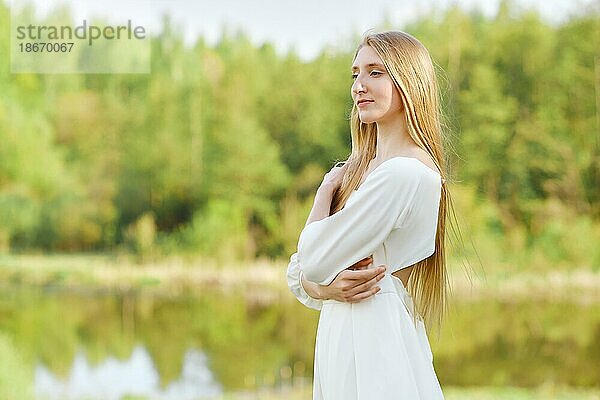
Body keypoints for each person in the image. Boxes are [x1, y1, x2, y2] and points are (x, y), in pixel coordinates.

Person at [286, 30, 451, 399]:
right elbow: (303, 276)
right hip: (349, 329)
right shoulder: (368, 169)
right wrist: (324, 288)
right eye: (355, 74)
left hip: (373, 337)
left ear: (409, 82)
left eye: (376, 72)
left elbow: (310, 261)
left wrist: (323, 195)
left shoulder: (402, 173)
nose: (359, 85)